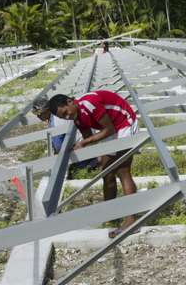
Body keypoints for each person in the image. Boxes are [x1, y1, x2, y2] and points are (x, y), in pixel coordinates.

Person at [48, 90, 138, 238]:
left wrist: (84, 142)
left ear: (70, 101)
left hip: (124, 123)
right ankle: (110, 213)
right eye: (63, 117)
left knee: (123, 170)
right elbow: (89, 137)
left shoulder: (89, 104)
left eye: (66, 112)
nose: (67, 116)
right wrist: (74, 149)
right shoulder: (76, 118)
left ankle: (131, 221)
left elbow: (108, 130)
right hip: (113, 129)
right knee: (107, 173)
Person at [31, 96, 98, 173]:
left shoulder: (55, 122)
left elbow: (59, 147)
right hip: (87, 145)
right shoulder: (55, 116)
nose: (38, 116)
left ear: (47, 110)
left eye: (39, 113)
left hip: (83, 154)